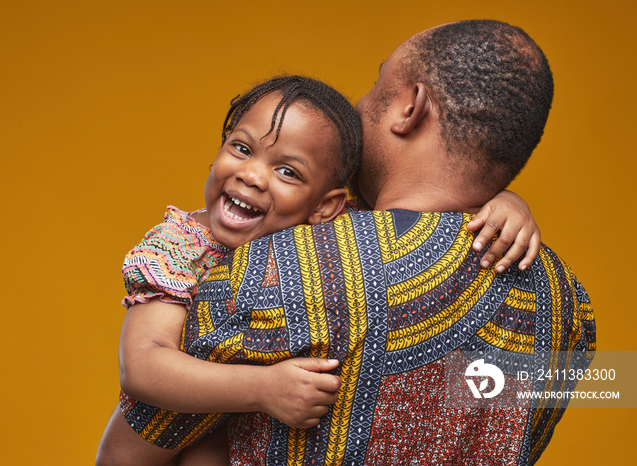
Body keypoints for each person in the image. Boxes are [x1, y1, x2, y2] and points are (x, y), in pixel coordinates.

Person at [138, 20, 596, 466]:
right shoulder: (567, 306)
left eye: (379, 83)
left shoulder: (283, 271)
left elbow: (128, 453)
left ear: (411, 107)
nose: (360, 102)